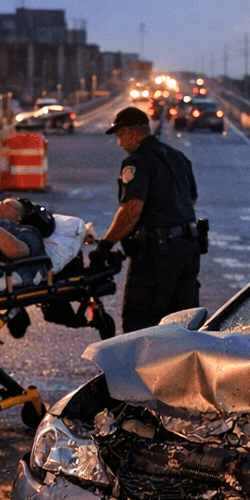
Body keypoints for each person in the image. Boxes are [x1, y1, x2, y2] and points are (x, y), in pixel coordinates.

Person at [96, 106, 201, 332]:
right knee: (183, 324)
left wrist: (105, 244)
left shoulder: (138, 162)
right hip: (189, 249)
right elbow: (191, 199)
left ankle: (140, 368)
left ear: (131, 133)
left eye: (120, 136)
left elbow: (132, 208)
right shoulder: (177, 156)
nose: (119, 143)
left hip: (157, 254)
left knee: (140, 325)